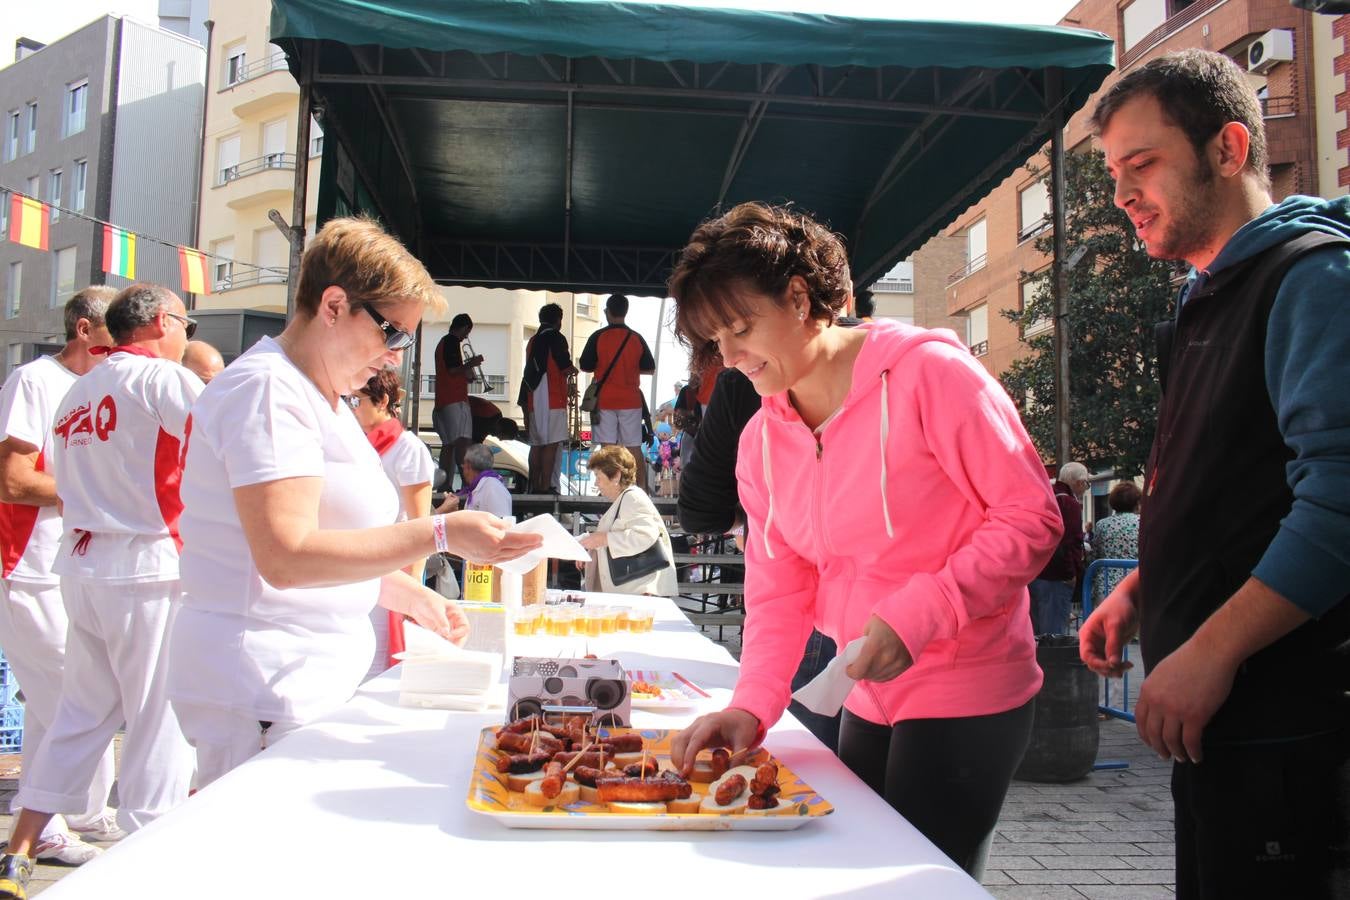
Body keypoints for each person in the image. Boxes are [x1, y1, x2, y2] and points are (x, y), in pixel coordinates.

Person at [665, 202, 1062, 877]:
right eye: (714, 342)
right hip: (860, 685)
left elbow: (1031, 517)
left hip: (964, 674)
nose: (728, 359)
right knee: (855, 874)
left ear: (798, 298)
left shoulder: (929, 374)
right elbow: (778, 591)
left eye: (739, 329)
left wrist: (919, 615)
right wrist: (753, 706)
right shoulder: (761, 438)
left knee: (910, 881)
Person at [1079, 49, 1350, 899]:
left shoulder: (1313, 280)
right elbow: (1229, 486)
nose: (1122, 193)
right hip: (1215, 733)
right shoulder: (1200, 298)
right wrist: (1143, 588)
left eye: (1143, 163)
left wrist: (1213, 649)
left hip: (1291, 726)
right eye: (1114, 171)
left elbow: (1340, 501)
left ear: (1229, 149)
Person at [163, 217, 542, 795]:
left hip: (298, 679)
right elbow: (286, 557)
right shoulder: (268, 390)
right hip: (264, 685)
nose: (395, 357)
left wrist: (412, 595)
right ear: (334, 305)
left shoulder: (320, 396)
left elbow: (329, 545)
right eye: (393, 334)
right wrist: (438, 534)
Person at [0, 284, 204, 891]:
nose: (187, 337)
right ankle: (151, 861)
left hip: (81, 565)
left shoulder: (77, 392)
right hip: (145, 563)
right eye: (185, 324)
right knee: (156, 717)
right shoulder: (162, 380)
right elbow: (226, 444)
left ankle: (20, 849)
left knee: (79, 716)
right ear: (163, 322)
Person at [0, 288, 120, 867]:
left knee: (55, 704)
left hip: (68, 567)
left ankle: (82, 814)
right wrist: (93, 488)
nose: (119, 348)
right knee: (75, 700)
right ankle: (47, 827)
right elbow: (14, 481)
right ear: (82, 329)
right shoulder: (32, 383)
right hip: (26, 568)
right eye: (109, 337)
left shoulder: (99, 384)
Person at [350, 368, 437, 678]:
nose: (352, 408)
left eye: (356, 400)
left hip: (390, 569)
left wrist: (412, 592)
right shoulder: (353, 444)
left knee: (379, 662)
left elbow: (420, 526)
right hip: (354, 563)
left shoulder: (408, 449)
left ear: (382, 400)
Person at [579, 294, 655, 492]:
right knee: (634, 447)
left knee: (608, 449)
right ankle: (642, 489)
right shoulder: (636, 337)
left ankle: (611, 489)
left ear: (607, 311)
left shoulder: (598, 336)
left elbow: (585, 365)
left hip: (605, 400)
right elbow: (650, 368)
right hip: (631, 399)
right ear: (625, 311)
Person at [578, 445, 677, 596]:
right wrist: (589, 544)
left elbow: (646, 535)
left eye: (598, 477)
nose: (596, 483)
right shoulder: (627, 498)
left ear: (616, 476)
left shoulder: (632, 497)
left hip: (639, 593)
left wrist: (603, 539)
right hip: (634, 592)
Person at [520, 303, 577, 494]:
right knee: (551, 444)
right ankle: (545, 487)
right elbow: (565, 366)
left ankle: (534, 486)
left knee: (536, 444)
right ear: (558, 320)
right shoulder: (556, 337)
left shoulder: (533, 341)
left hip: (533, 397)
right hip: (553, 397)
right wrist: (573, 371)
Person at [1028, 461, 1089, 635]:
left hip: (1036, 572)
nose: (1086, 488)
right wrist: (1070, 573)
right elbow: (1068, 541)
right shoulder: (1068, 503)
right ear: (1079, 482)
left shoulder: (1047, 496)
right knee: (1054, 633)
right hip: (1055, 576)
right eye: (1086, 484)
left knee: (1037, 631)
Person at [432, 313, 482, 475]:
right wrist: (471, 363)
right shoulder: (452, 341)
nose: (466, 337)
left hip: (442, 399)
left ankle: (445, 484)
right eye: (467, 332)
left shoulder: (442, 343)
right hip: (455, 399)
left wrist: (466, 371)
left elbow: (451, 370)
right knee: (463, 441)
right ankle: (466, 479)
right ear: (464, 328)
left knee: (448, 445)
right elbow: (453, 370)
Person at [1089, 481, 1140, 606]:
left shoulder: (1102, 524)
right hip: (1134, 586)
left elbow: (1095, 554)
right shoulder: (1142, 522)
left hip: (1105, 586)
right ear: (1137, 503)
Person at [437, 442, 512, 521]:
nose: (463, 471)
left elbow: (502, 526)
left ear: (468, 466)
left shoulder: (493, 488)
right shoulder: (478, 488)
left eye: (463, 466)